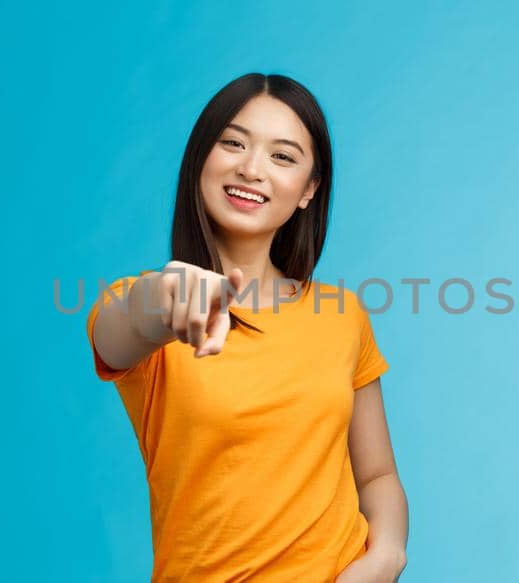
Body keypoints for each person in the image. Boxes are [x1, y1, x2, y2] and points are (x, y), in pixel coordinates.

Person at [86, 73, 409, 582]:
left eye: (282, 156)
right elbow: (123, 327)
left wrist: (387, 556)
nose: (252, 168)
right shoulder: (147, 304)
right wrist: (165, 299)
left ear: (308, 190)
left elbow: (378, 474)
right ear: (201, 161)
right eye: (233, 143)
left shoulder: (343, 315)